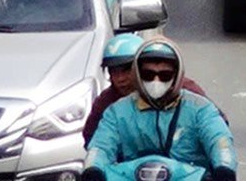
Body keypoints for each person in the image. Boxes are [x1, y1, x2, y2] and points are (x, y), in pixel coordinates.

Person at [82, 39, 237, 181]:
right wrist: (93, 169)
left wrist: (224, 168)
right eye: (148, 74)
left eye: (165, 75)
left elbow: (219, 140)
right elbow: (100, 146)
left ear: (177, 76)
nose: (156, 81)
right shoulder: (116, 111)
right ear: (138, 74)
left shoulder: (200, 107)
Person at [85, 34, 215, 144]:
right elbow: (94, 141)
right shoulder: (107, 103)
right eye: (114, 72)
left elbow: (216, 126)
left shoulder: (186, 92)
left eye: (126, 70)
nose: (120, 79)